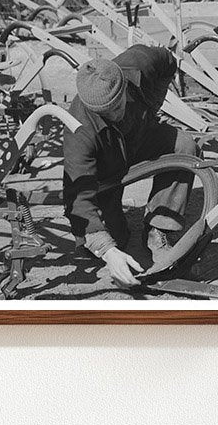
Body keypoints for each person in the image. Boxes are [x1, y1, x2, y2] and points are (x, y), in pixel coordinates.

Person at [63, 45, 197, 289]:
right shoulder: (78, 130)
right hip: (106, 164)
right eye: (106, 113)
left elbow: (168, 60)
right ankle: (116, 227)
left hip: (139, 136)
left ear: (124, 84)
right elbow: (77, 196)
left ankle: (159, 228)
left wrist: (153, 104)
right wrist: (107, 249)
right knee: (113, 241)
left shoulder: (139, 63)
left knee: (184, 144)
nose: (115, 114)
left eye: (117, 105)